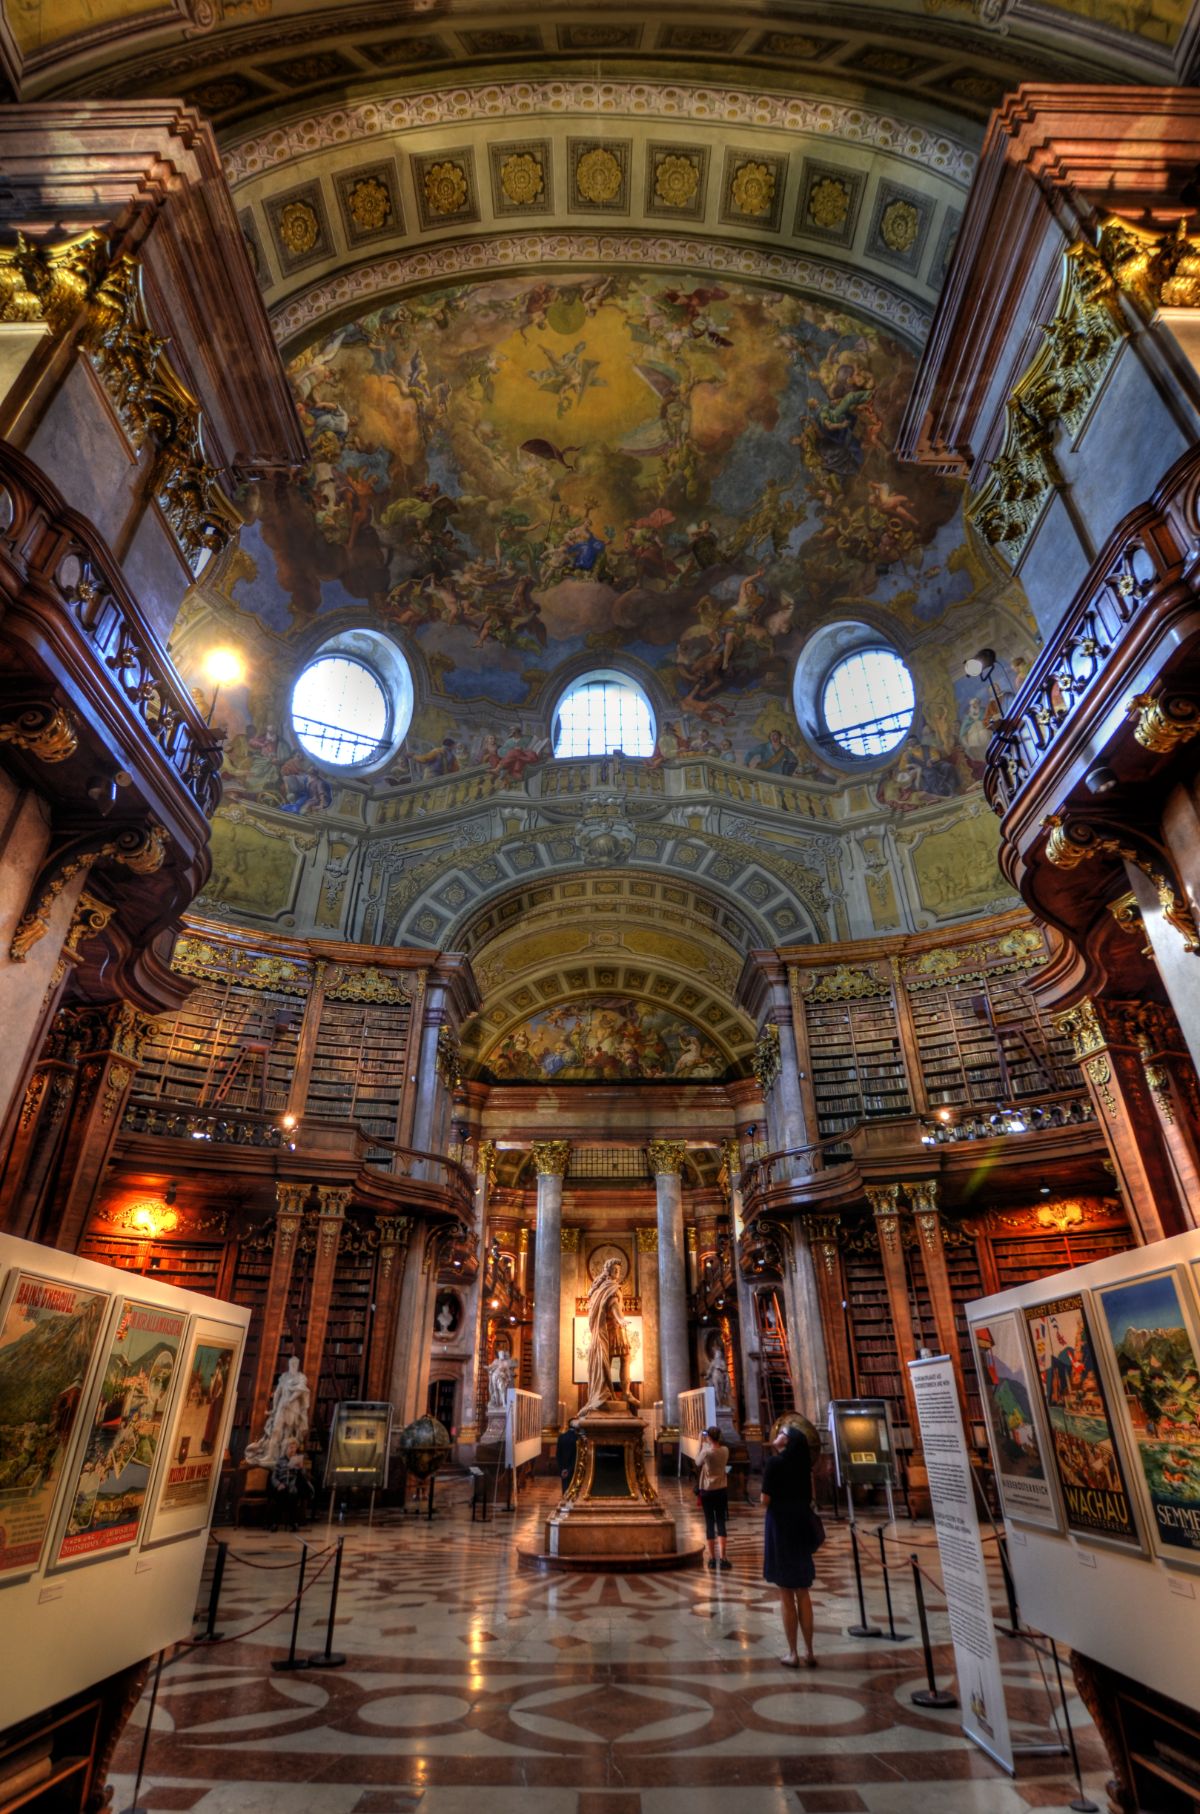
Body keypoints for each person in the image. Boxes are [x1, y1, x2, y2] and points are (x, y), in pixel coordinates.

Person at [761, 1426, 818, 1668]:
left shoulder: (775, 1464)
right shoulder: (804, 1466)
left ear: (787, 1441)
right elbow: (810, 1497)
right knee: (803, 1591)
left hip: (781, 1527)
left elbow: (765, 1499)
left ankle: (793, 1653)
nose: (778, 1433)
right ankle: (810, 1651)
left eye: (782, 1432)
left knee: (786, 1593)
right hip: (801, 1526)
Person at [580, 1256, 631, 1414]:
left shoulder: (605, 1287)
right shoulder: (610, 1287)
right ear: (608, 1271)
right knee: (611, 1360)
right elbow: (613, 1305)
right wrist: (621, 1319)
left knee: (623, 1358)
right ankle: (616, 1393)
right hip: (612, 1330)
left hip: (613, 1329)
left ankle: (625, 1393)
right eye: (615, 1270)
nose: (617, 1273)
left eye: (619, 1270)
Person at [244, 1356, 310, 1469]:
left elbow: (300, 1391)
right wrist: (274, 1408)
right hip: (282, 1406)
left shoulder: (301, 1377)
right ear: (289, 1364)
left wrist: (289, 1400)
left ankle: (284, 1457)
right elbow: (278, 1392)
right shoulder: (284, 1377)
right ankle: (270, 1455)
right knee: (275, 1430)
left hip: (293, 1407)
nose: (293, 1365)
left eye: (295, 1363)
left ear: (298, 1365)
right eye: (291, 1363)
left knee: (288, 1434)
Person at [697, 1426, 731, 1570]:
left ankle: (712, 1558)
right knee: (721, 1522)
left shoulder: (706, 1452)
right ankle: (723, 1558)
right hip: (721, 1489)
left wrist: (701, 1444)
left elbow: (697, 1462)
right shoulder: (725, 1450)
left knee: (710, 1522)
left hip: (708, 1490)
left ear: (709, 1438)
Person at [267, 1438, 313, 1532]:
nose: (293, 1450)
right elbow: (274, 1477)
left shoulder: (297, 1460)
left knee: (293, 1496)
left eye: (295, 1447)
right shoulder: (280, 1461)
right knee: (281, 1495)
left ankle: (293, 1524)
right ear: (286, 1448)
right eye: (291, 1447)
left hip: (293, 1486)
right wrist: (278, 1484)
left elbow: (304, 1477)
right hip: (281, 1485)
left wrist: (301, 1468)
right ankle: (275, 1523)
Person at [556, 1418, 580, 1494]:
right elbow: (576, 1456)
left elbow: (558, 1454)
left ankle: (564, 1501)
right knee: (573, 1489)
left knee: (565, 1487)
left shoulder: (561, 1437)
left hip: (563, 1467)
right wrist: (570, 1469)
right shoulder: (578, 1438)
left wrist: (562, 1469)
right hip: (574, 1468)